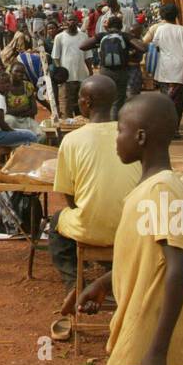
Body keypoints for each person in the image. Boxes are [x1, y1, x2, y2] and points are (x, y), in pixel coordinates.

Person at [77, 93, 183, 365]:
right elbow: (152, 261)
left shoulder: (162, 190)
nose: (116, 138)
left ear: (140, 137)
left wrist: (157, 352)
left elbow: (179, 269)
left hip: (145, 339)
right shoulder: (156, 187)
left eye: (121, 129)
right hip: (140, 332)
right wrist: (104, 282)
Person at [48, 75, 141, 318]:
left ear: (87, 102)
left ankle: (73, 284)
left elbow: (71, 199)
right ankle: (113, 276)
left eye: (79, 98)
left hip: (90, 228)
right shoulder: (131, 136)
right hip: (132, 231)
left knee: (56, 224)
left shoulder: (72, 140)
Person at [80, 14, 146, 119]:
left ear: (108, 26)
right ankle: (115, 123)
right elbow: (142, 48)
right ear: (121, 26)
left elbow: (82, 46)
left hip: (105, 72)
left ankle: (105, 121)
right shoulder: (125, 36)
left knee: (106, 98)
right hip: (121, 72)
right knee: (118, 100)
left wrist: (98, 44)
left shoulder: (101, 36)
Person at [146, 3, 183, 132]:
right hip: (179, 69)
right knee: (178, 102)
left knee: (165, 100)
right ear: (176, 15)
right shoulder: (182, 30)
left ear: (161, 15)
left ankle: (166, 128)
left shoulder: (160, 29)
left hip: (164, 68)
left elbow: (154, 45)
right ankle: (175, 129)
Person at [0, 71, 39, 150]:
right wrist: (12, 131)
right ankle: (26, 160)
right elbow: (2, 124)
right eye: (3, 83)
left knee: (26, 135)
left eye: (8, 82)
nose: (7, 85)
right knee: (31, 136)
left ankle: (19, 157)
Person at [51, 16, 88, 119]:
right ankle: (67, 127)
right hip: (67, 78)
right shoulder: (59, 37)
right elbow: (55, 57)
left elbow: (88, 56)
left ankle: (80, 126)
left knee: (81, 103)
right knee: (66, 104)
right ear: (65, 22)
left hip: (82, 76)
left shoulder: (84, 36)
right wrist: (61, 73)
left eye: (74, 20)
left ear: (78, 22)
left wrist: (90, 71)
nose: (72, 22)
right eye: (70, 20)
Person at [2, 62, 46, 134]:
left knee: (41, 135)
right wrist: (24, 109)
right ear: (10, 72)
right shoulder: (5, 87)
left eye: (22, 72)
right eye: (16, 71)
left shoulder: (28, 86)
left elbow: (34, 110)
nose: (19, 74)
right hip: (11, 119)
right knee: (9, 121)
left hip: (26, 120)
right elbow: (5, 111)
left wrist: (15, 111)